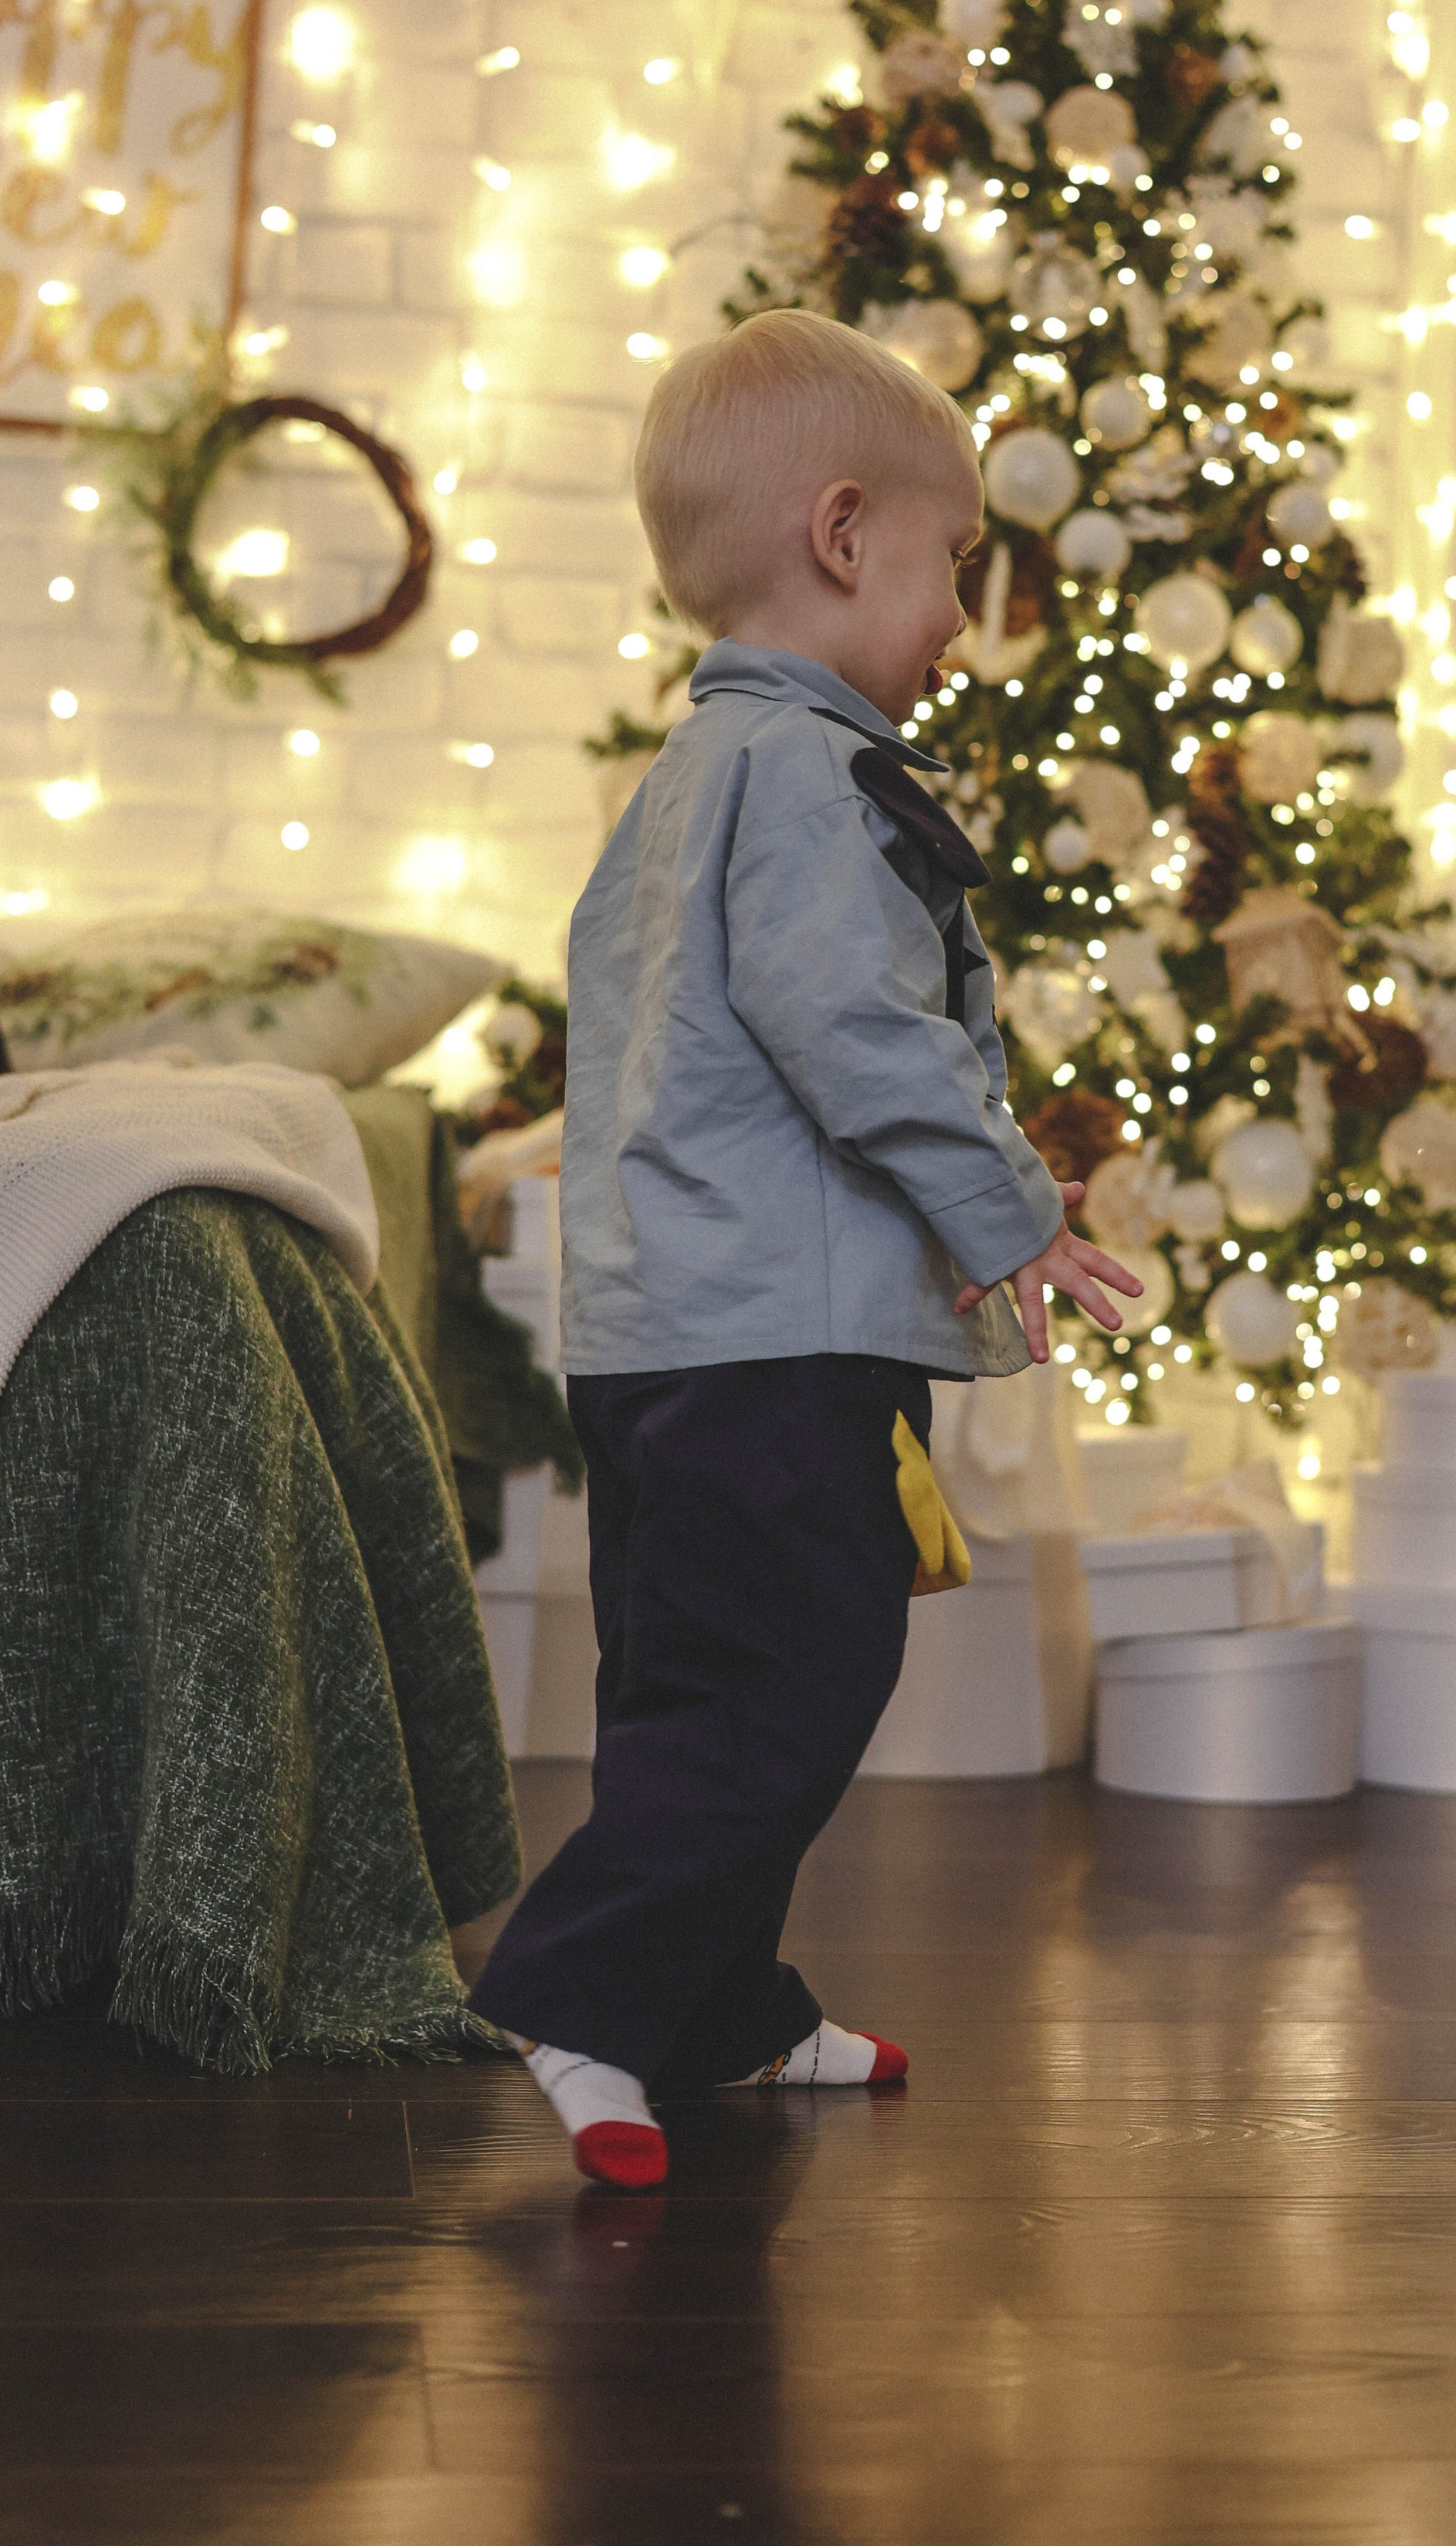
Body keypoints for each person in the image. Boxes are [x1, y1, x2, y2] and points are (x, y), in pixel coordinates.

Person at [469, 310, 1139, 2188]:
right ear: (843, 536)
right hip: (763, 1337)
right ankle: (585, 1998)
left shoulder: (685, 783)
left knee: (694, 1680)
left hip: (664, 1330)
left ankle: (716, 2010)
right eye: (947, 567)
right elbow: (856, 1034)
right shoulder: (811, 782)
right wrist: (1014, 1214)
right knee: (797, 1669)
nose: (955, 621)